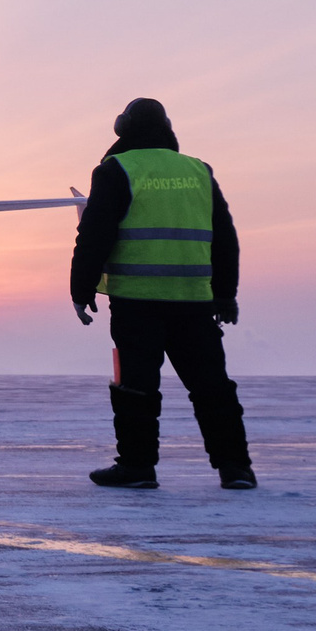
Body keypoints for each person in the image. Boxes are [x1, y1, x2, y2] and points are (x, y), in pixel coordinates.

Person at [70, 98, 256, 490]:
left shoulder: (117, 169)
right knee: (212, 388)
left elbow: (95, 233)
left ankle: (137, 467)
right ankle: (236, 468)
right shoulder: (198, 170)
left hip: (137, 301)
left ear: (123, 128)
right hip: (194, 301)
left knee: (135, 388)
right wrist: (225, 295)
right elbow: (225, 237)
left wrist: (81, 287)